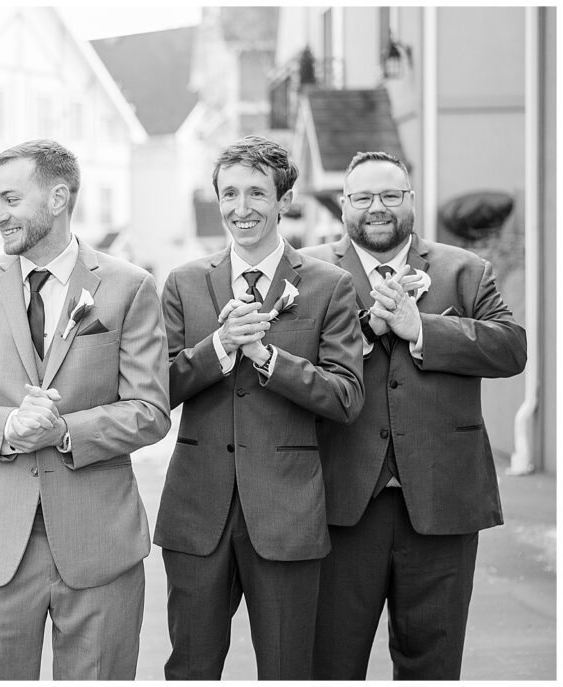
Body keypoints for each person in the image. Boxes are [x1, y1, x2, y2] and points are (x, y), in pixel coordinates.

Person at [0, 139, 170, 680]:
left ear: (58, 198)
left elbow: (151, 410)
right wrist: (9, 424)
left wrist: (64, 431)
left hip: (98, 543)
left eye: (10, 199)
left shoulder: (129, 287)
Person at [302, 151, 527, 679]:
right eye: (363, 197)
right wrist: (366, 331)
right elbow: (293, 364)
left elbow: (510, 348)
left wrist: (422, 328)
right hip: (340, 499)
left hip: (443, 501)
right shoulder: (306, 270)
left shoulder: (464, 271)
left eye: (390, 196)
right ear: (344, 204)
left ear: (410, 201)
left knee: (434, 663)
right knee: (330, 662)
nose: (377, 207)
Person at [153, 135, 365, 679]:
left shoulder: (329, 286)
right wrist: (220, 347)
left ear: (284, 200)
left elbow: (346, 396)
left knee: (287, 668)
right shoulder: (183, 283)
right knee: (191, 668)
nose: (240, 209)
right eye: (229, 194)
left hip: (287, 512)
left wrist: (267, 358)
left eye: (255, 193)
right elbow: (160, 389)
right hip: (198, 512)